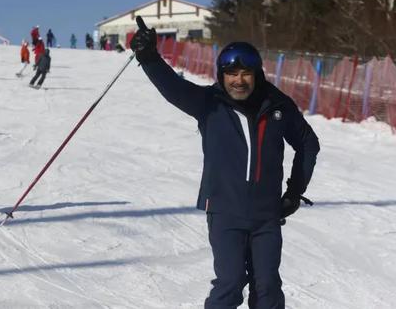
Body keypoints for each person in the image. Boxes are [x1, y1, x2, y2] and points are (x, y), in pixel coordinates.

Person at [130, 17, 319, 309]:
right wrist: (149, 57)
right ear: (221, 74)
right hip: (225, 211)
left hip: (266, 214)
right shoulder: (210, 103)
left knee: (267, 287)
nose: (238, 80)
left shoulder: (278, 105)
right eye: (231, 73)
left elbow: (308, 143)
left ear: (257, 74)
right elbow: (174, 88)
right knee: (230, 283)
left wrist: (294, 191)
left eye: (245, 73)